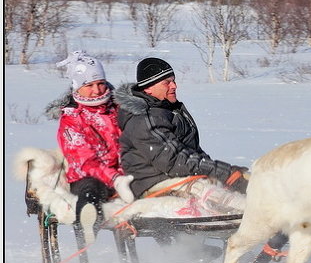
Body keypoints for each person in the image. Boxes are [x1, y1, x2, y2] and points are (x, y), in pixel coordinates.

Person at [115, 57, 249, 215]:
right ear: (148, 88)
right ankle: (265, 216)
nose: (174, 86)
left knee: (241, 187)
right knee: (224, 198)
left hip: (176, 177)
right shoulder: (144, 119)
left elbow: (192, 152)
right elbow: (174, 160)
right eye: (167, 82)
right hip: (153, 183)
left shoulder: (168, 110)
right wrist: (225, 173)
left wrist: (225, 174)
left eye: (173, 80)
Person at [48, 52, 135, 221]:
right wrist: (115, 179)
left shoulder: (120, 109)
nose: (97, 91)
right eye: (89, 85)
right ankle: (86, 238)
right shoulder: (72, 119)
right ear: (77, 86)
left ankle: (178, 241)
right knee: (90, 193)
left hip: (127, 172)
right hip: (90, 176)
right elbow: (85, 161)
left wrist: (127, 173)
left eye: (101, 83)